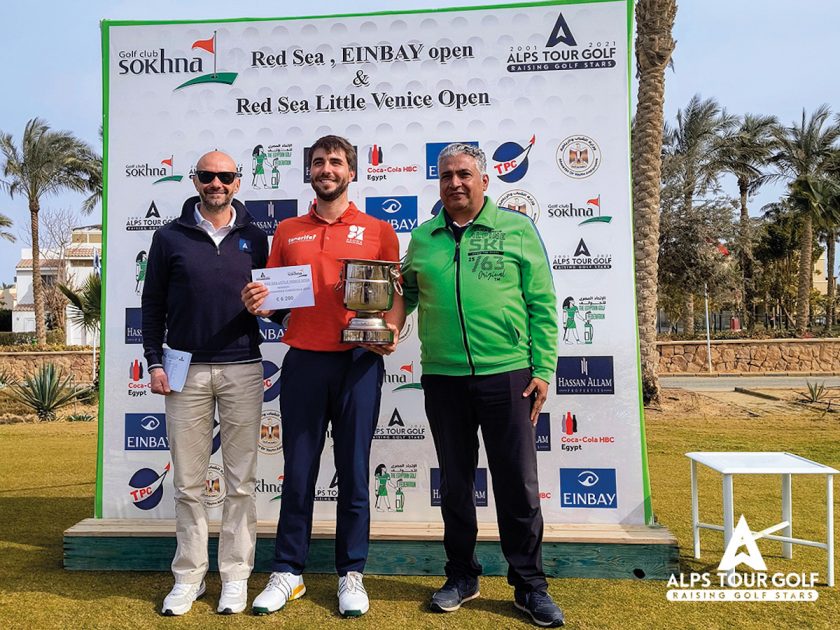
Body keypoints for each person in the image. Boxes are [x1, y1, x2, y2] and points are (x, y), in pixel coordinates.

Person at [393, 143, 565, 627]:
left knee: (518, 486)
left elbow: (544, 304)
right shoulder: (423, 237)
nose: (455, 183)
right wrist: (378, 320)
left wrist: (543, 368)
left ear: (485, 181)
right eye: (446, 175)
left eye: (464, 174)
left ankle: (529, 585)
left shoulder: (516, 229)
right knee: (455, 484)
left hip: (508, 374)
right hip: (443, 377)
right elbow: (401, 296)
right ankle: (462, 576)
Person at [241, 135, 400, 618]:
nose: (326, 169)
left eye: (336, 162)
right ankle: (288, 571)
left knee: (354, 473)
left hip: (359, 363)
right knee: (300, 472)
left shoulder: (378, 229)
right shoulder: (288, 230)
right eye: (318, 163)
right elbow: (272, 299)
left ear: (352, 171)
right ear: (309, 172)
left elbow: (393, 295)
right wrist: (259, 304)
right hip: (305, 361)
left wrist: (391, 329)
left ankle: (351, 573)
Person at [142, 151, 269, 616]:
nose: (217, 183)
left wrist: (270, 306)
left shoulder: (256, 237)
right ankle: (189, 576)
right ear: (195, 180)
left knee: (240, 483)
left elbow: (278, 303)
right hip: (184, 370)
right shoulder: (167, 236)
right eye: (208, 175)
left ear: (238, 182)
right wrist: (153, 361)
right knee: (189, 484)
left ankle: (235, 576)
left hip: (243, 367)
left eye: (226, 176)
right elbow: (152, 305)